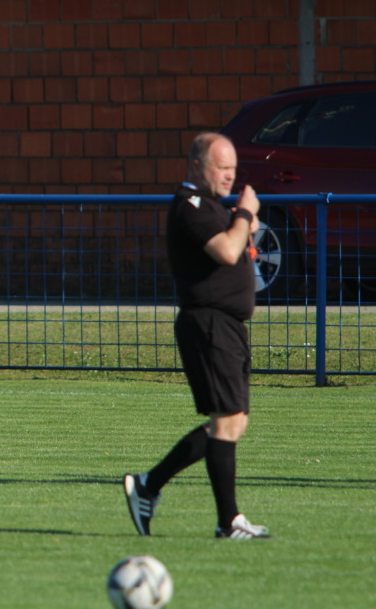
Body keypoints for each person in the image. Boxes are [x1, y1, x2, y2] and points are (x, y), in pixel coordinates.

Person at [123, 132, 272, 540]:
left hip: (227, 326)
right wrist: (245, 213)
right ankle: (229, 521)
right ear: (196, 166)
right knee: (226, 421)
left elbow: (237, 249)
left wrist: (243, 222)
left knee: (233, 422)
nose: (229, 175)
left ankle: (148, 486)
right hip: (208, 324)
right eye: (221, 167)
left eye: (233, 168)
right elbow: (226, 251)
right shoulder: (190, 203)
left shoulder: (211, 206)